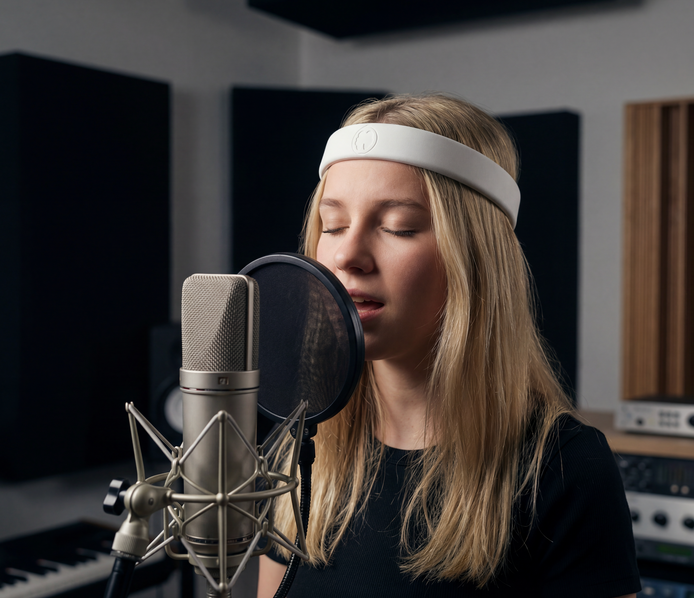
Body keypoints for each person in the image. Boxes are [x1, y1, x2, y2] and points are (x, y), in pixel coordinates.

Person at [257, 94, 640, 597]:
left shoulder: (567, 472)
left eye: (399, 226)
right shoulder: (299, 451)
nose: (347, 255)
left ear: (475, 258)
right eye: (333, 225)